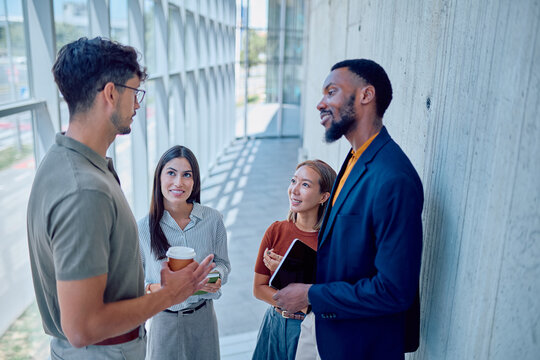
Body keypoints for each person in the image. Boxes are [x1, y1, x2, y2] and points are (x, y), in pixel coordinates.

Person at [26, 37, 214, 359]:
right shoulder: (84, 191)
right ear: (111, 94)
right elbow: (82, 326)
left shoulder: (62, 160)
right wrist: (170, 295)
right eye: (134, 92)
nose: (138, 104)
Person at [273, 59, 424, 359]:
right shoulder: (356, 158)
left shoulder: (394, 179)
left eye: (331, 92)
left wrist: (310, 294)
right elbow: (356, 252)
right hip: (334, 338)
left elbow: (394, 290)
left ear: (366, 95)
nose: (320, 103)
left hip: (362, 346)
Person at [138, 145, 231, 360]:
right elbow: (135, 284)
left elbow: (223, 263)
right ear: (159, 178)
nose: (179, 182)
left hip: (203, 319)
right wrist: (162, 288)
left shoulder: (213, 219)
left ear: (195, 181)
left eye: (187, 175)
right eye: (171, 173)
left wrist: (217, 277)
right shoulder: (143, 228)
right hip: (164, 322)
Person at [252, 160, 336, 360]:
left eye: (305, 185)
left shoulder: (331, 242)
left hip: (308, 329)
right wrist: (299, 301)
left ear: (324, 196)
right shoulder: (276, 230)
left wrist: (285, 272)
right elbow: (258, 288)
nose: (294, 190)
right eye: (293, 181)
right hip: (274, 324)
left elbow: (326, 296)